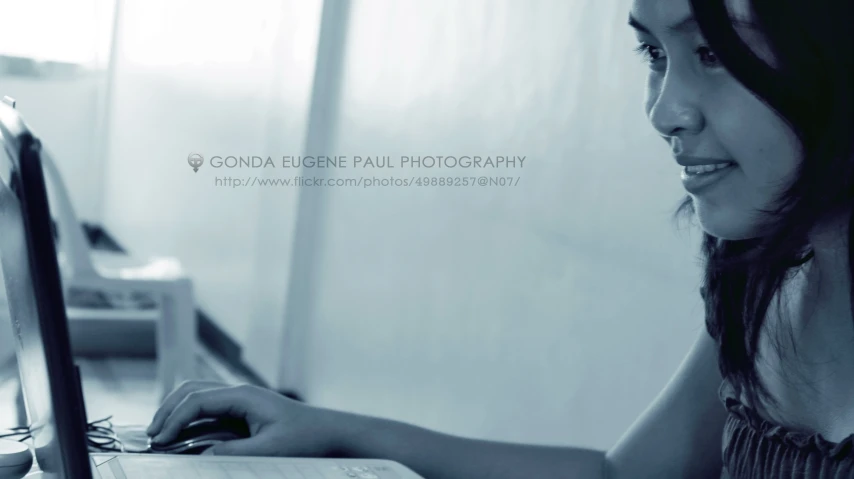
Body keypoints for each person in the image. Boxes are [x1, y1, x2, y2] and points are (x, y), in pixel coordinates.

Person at [145, 0, 854, 476]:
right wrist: (334, 431)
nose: (664, 111)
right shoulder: (754, 275)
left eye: (710, 52)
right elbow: (621, 476)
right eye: (652, 54)